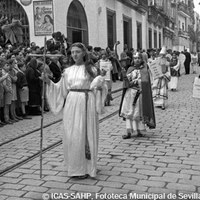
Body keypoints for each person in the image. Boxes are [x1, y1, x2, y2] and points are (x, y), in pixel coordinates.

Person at [45, 42, 107, 179]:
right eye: (72, 52)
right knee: (72, 134)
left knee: (86, 133)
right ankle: (75, 167)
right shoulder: (67, 71)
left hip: (87, 102)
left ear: (84, 53)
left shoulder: (91, 69)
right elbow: (60, 88)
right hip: (72, 103)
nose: (74, 55)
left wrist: (100, 84)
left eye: (77, 52)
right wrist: (48, 82)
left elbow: (101, 86)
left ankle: (88, 166)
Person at [119, 52, 156, 139]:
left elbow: (146, 82)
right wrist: (124, 77)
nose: (137, 60)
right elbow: (126, 83)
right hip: (130, 94)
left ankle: (139, 130)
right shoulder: (130, 69)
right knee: (129, 112)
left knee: (138, 113)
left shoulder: (145, 69)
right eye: (135, 58)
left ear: (141, 59)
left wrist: (136, 82)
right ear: (133, 59)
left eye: (138, 58)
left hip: (139, 94)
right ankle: (129, 131)